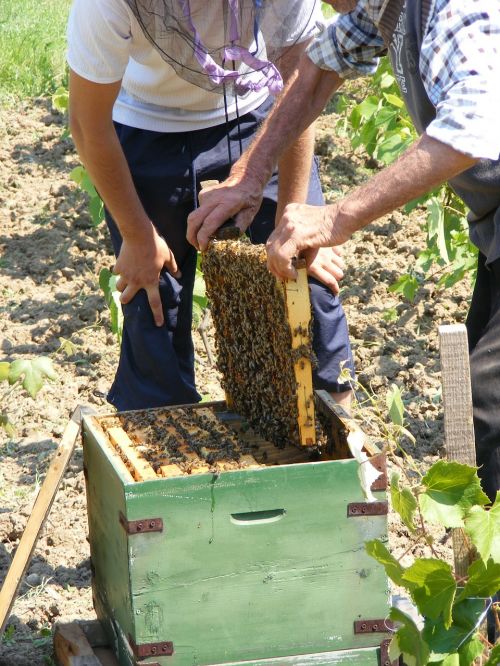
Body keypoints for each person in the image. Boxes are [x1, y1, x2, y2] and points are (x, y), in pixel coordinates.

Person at [188, 0, 500, 500]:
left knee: (492, 403)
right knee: (483, 401)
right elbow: (316, 68)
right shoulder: (385, 8)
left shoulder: (450, 8)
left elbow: (470, 131)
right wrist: (250, 175)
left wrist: (335, 216)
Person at [66, 0, 355, 413]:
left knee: (309, 282)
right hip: (148, 129)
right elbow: (87, 123)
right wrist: (138, 237)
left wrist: (295, 216)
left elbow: (301, 84)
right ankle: (166, 464)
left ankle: (352, 462)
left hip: (264, 120)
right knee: (153, 299)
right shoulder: (105, 6)